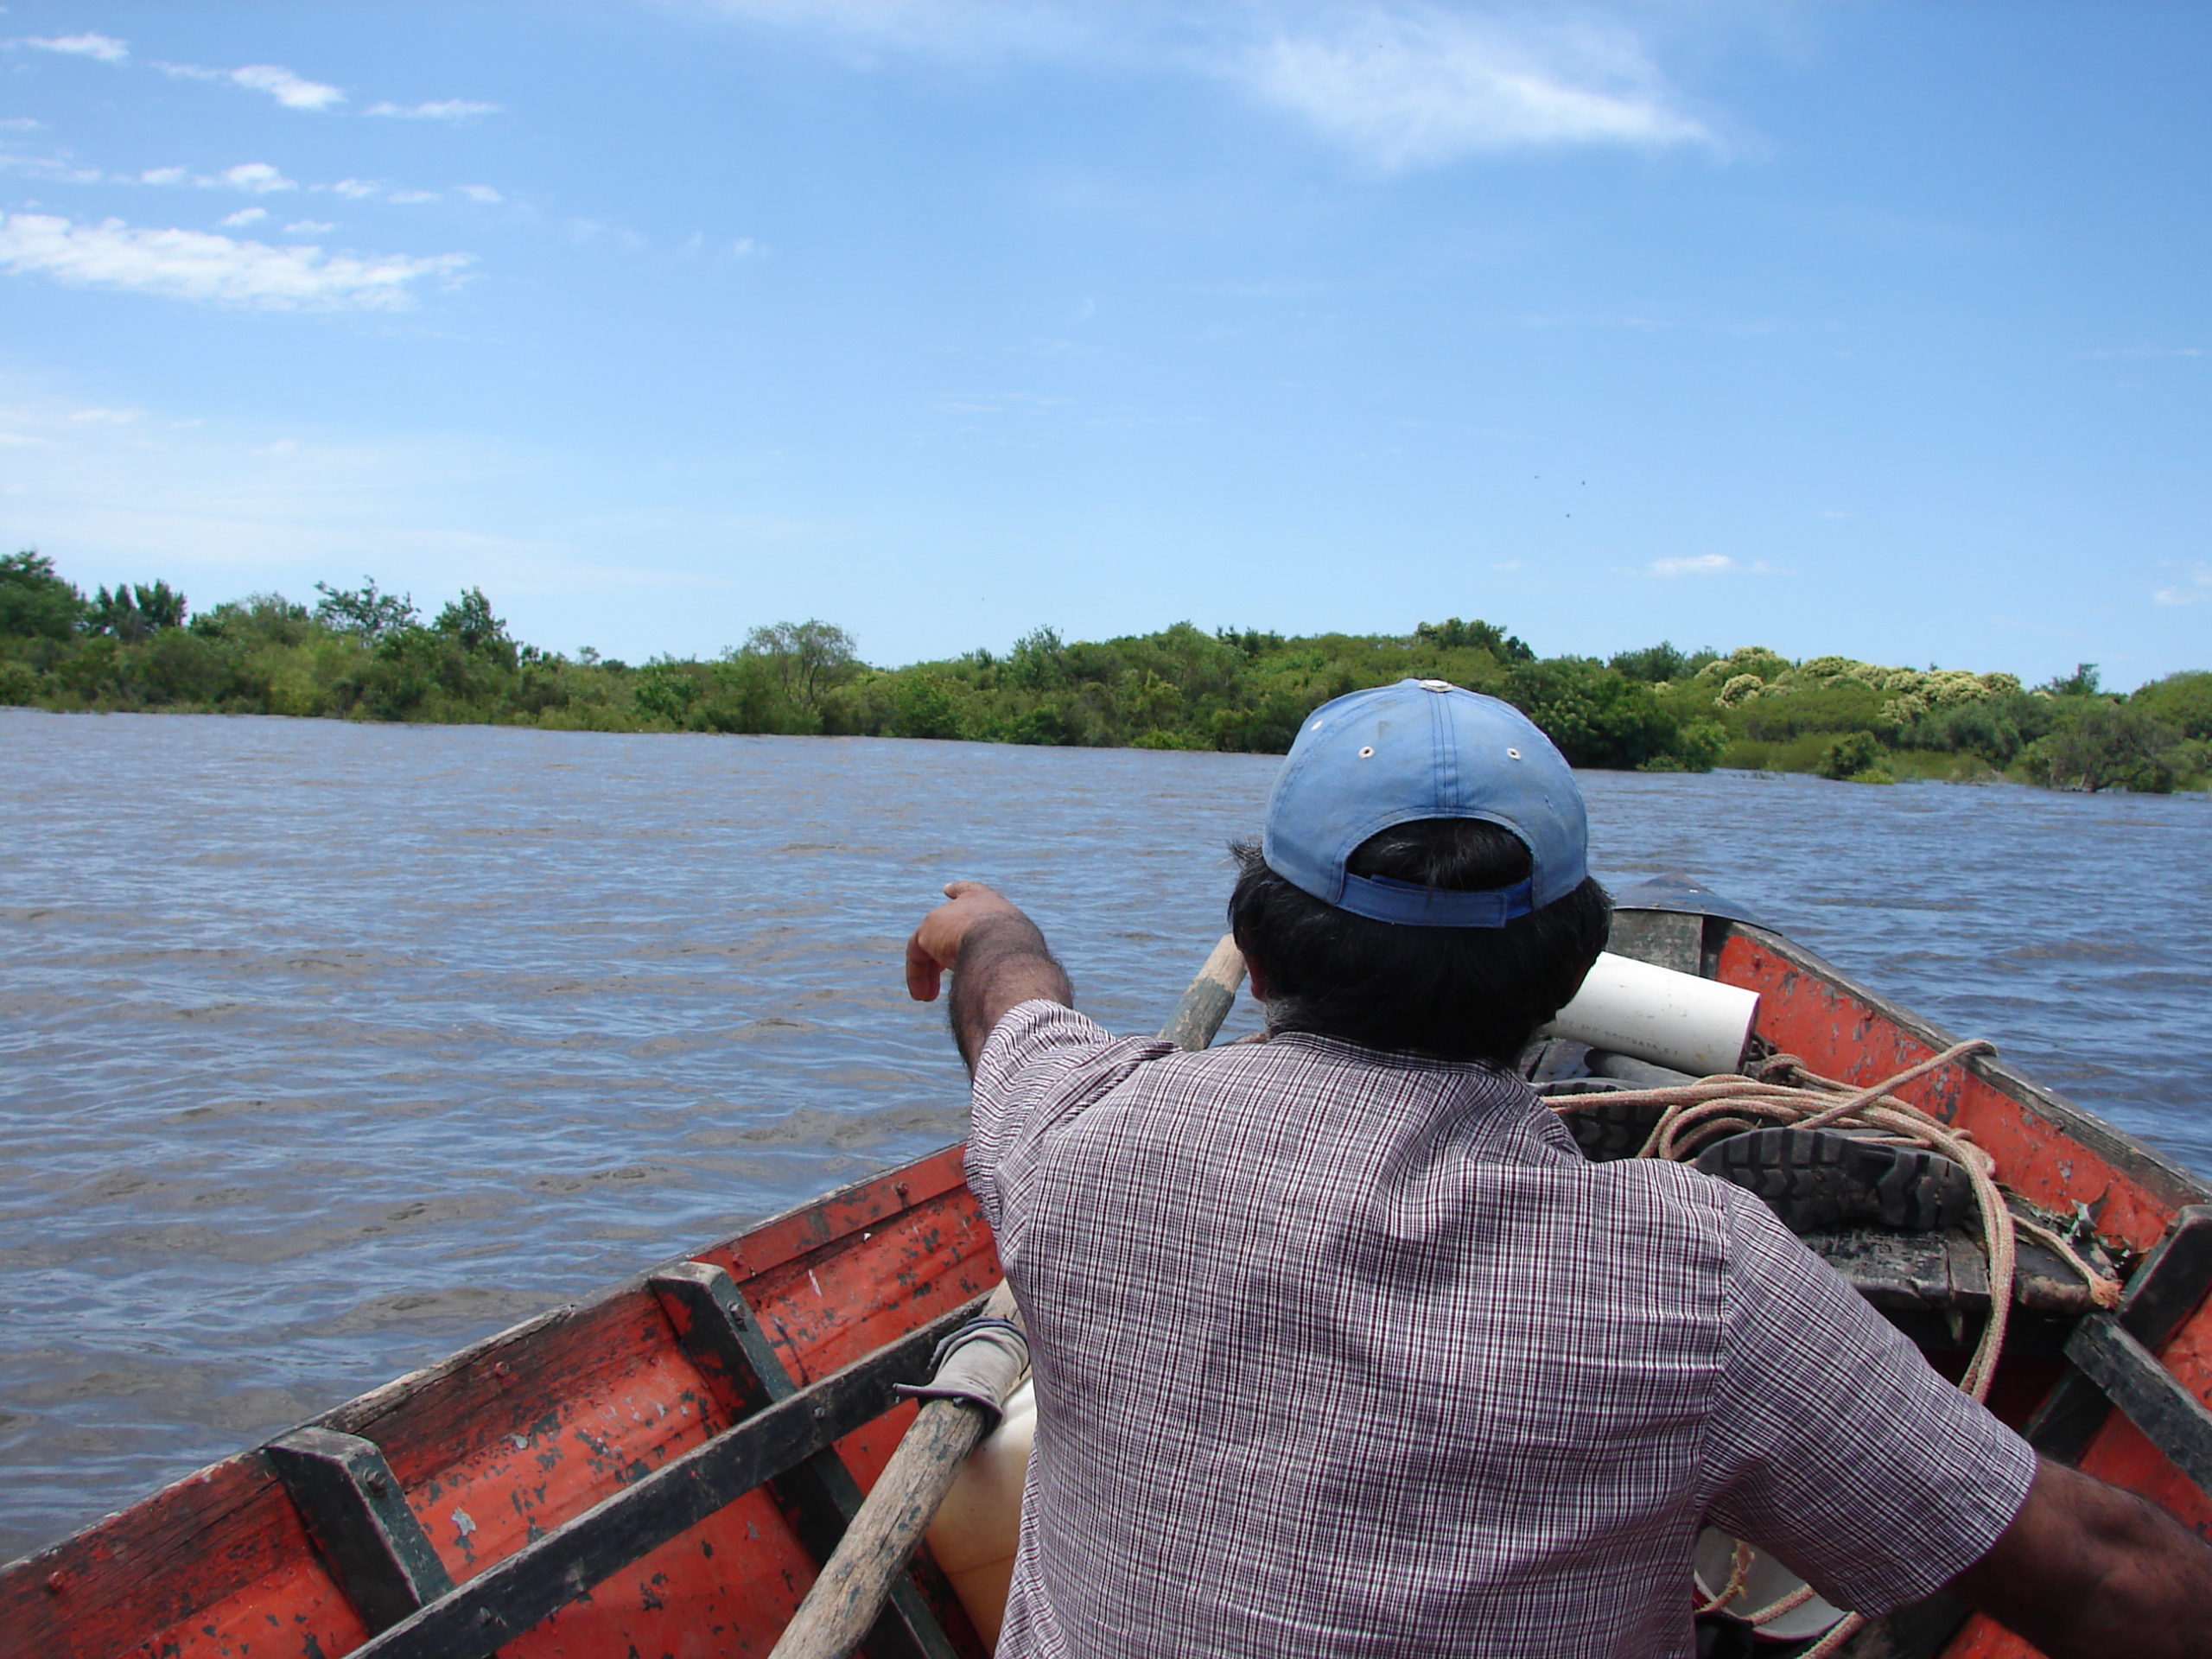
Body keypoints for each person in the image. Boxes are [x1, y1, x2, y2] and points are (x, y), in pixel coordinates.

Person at [903, 677, 2212, 1659]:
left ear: (1259, 942)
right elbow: (2094, 1573)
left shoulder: (1078, 1142)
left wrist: (987, 922)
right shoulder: (1698, 1282)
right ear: (1570, 975)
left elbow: (1010, 1009)